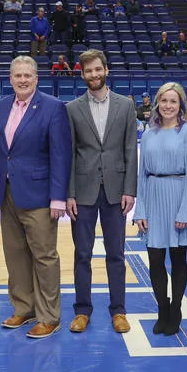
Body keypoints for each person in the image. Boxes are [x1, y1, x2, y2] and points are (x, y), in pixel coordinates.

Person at [0, 56, 72, 339]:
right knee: (15, 254)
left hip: (39, 195)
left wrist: (58, 198)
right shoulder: (2, 106)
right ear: (11, 78)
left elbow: (61, 155)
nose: (22, 80)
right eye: (17, 76)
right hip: (8, 192)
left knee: (44, 256)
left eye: (27, 75)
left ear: (36, 78)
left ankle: (49, 315)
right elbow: (0, 151)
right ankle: (24, 307)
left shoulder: (53, 107)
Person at [65, 49, 137, 334]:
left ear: (106, 70)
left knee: (116, 254)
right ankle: (82, 310)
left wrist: (130, 189)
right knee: (82, 253)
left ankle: (118, 310)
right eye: (88, 71)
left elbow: (130, 148)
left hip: (116, 191)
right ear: (82, 74)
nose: (93, 75)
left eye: (98, 69)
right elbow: (69, 154)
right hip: (82, 192)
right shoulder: (71, 109)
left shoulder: (125, 105)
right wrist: (69, 193)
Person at [133, 82, 187, 336]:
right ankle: (162, 308)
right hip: (153, 196)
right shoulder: (148, 134)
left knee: (178, 259)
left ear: (181, 105)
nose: (168, 106)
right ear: (157, 103)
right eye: (164, 101)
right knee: (155, 259)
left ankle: (176, 309)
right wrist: (140, 210)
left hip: (178, 197)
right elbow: (142, 176)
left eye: (173, 101)